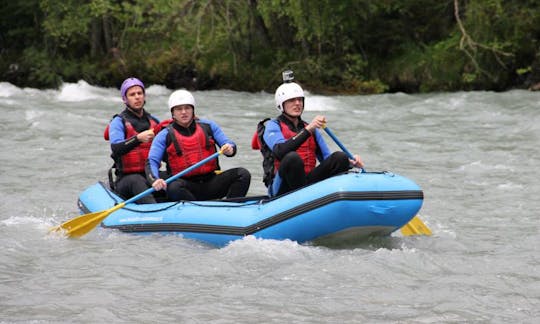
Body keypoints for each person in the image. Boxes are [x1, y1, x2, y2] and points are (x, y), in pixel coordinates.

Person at [253, 76, 364, 197]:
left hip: (307, 184)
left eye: (300, 100)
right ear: (281, 104)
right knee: (292, 158)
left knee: (340, 157)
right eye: (292, 100)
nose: (297, 103)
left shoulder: (311, 129)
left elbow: (327, 159)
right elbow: (280, 151)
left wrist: (351, 162)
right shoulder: (273, 125)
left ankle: (331, 199)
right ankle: (303, 199)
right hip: (282, 187)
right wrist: (308, 130)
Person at [146, 89, 251, 201]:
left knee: (243, 174)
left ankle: (230, 207)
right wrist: (155, 180)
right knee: (173, 187)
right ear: (173, 113)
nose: (183, 112)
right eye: (179, 109)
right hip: (186, 186)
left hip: (210, 182)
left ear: (193, 110)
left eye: (187, 108)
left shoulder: (208, 126)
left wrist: (230, 148)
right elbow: (152, 161)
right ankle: (196, 209)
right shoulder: (164, 135)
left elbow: (229, 144)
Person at [106, 77, 160, 204]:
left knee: (173, 180)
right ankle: (155, 213)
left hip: (150, 175)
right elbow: (116, 148)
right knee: (137, 181)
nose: (137, 97)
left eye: (140, 93)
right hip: (126, 179)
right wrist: (137, 139)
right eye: (132, 94)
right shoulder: (118, 122)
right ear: (125, 99)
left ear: (144, 96)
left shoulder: (154, 121)